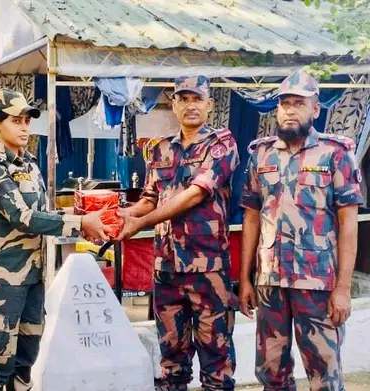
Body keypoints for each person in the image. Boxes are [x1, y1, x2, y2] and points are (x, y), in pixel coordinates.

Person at [0, 88, 111, 391]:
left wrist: (80, 215)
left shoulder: (30, 163)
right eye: (15, 120)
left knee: (27, 356)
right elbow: (23, 217)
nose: (24, 127)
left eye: (26, 120)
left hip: (33, 273)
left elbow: (43, 213)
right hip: (1, 277)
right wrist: (79, 223)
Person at [239, 69, 363, 391]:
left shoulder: (336, 154)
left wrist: (343, 289)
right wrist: (244, 280)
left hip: (318, 284)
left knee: (324, 375)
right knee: (271, 373)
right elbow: (251, 218)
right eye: (284, 104)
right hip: (270, 283)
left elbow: (348, 223)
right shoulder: (261, 154)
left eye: (298, 103)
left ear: (315, 109)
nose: (290, 110)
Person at [117, 76, 239, 390]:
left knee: (216, 364)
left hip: (207, 272)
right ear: (173, 104)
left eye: (197, 99)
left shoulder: (222, 143)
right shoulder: (159, 150)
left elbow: (196, 193)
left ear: (209, 104)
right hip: (167, 270)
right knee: (171, 363)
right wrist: (117, 217)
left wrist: (140, 224)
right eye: (183, 99)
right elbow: (148, 200)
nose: (190, 105)